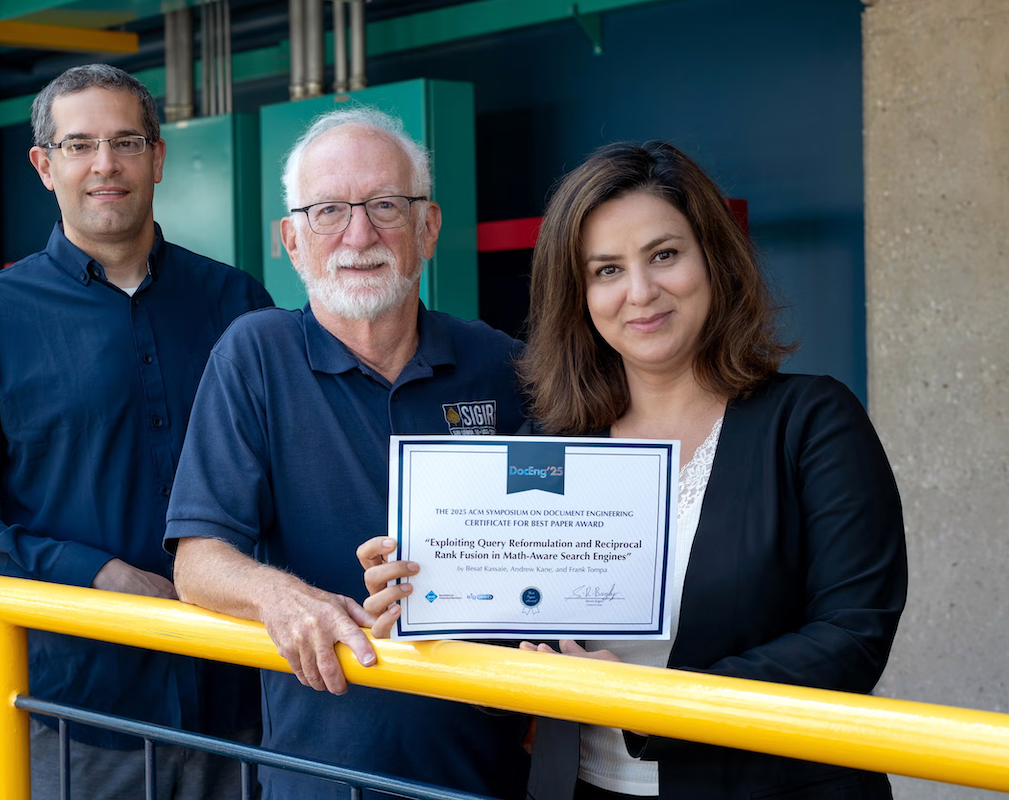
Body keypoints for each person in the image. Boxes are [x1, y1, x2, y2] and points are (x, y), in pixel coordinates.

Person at [361, 141, 908, 800]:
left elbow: (852, 636)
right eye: (607, 270)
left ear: (714, 258)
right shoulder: (551, 445)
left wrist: (645, 700)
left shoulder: (812, 423)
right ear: (580, 294)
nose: (641, 292)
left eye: (665, 255)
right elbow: (507, 652)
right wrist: (429, 608)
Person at [0, 63, 273, 799]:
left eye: (126, 141)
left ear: (157, 157)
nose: (106, 164)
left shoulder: (237, 302)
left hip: (243, 698)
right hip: (85, 710)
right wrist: (92, 574)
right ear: (45, 166)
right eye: (79, 145)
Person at [166, 107, 532, 800]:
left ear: (428, 228)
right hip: (321, 774)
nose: (359, 236)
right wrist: (284, 597)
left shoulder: (500, 364)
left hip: (482, 772)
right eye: (328, 210)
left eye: (385, 206)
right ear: (292, 240)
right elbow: (197, 561)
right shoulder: (254, 356)